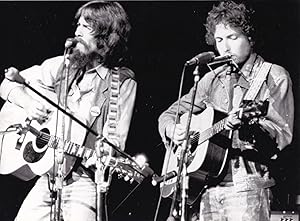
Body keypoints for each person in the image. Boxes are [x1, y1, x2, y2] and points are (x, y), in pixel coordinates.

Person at [0, 1, 136, 221]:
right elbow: (7, 84)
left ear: (105, 37)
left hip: (84, 180)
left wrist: (103, 157)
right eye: (78, 25)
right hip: (49, 177)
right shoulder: (62, 66)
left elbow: (115, 144)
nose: (76, 32)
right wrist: (28, 104)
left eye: (86, 26)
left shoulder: (121, 83)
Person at [158, 1, 294, 220]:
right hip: (205, 187)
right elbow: (168, 115)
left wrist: (249, 128)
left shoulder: (273, 75)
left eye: (233, 38)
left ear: (250, 37)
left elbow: (281, 135)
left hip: (247, 188)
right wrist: (172, 129)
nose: (225, 47)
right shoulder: (210, 79)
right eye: (219, 40)